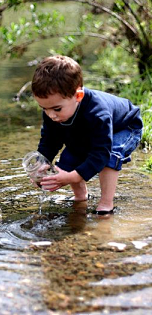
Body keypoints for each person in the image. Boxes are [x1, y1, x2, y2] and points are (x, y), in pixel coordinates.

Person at [31, 55, 143, 215]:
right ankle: (81, 197)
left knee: (111, 157)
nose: (51, 115)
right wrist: (42, 163)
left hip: (124, 126)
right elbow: (50, 140)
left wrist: (74, 177)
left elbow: (101, 153)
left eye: (56, 109)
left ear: (78, 96)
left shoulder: (98, 113)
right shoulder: (53, 111)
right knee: (70, 158)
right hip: (88, 130)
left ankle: (106, 204)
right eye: (43, 108)